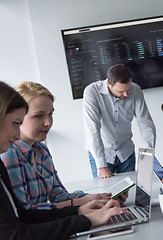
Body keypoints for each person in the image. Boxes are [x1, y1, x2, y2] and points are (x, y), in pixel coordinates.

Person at [0, 81, 126, 240]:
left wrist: (90, 201)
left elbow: (56, 195)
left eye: (50, 114)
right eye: (38, 116)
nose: (48, 122)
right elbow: (24, 216)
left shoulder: (40, 149)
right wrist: (82, 212)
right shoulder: (8, 155)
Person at [83, 63, 156, 178]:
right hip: (102, 154)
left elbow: (145, 124)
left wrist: (147, 158)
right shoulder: (92, 92)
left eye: (128, 89)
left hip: (126, 153)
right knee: (105, 194)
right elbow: (92, 129)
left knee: (130, 193)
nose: (126, 94)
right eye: (121, 91)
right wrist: (101, 165)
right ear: (108, 84)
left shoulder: (135, 90)